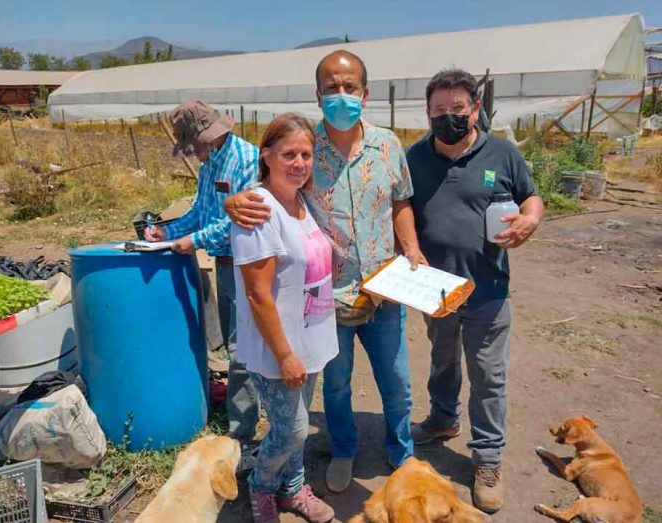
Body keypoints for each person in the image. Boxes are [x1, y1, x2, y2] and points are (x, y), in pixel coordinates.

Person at [225, 50, 426, 493]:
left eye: (349, 87)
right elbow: (267, 187)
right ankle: (343, 449)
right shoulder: (304, 148)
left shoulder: (388, 144)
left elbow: (401, 202)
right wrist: (231, 201)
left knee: (396, 383)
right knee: (335, 386)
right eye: (331, 87)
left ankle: (402, 453)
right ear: (318, 95)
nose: (341, 95)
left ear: (365, 93)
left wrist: (410, 246)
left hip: (384, 288)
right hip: (327, 299)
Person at [405, 69, 544, 513]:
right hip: (437, 289)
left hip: (488, 289)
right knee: (442, 360)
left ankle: (487, 459)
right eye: (439, 111)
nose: (448, 118)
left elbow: (532, 197)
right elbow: (400, 206)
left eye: (457, 110)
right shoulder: (414, 158)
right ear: (427, 113)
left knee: (488, 375)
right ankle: (443, 419)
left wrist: (530, 220)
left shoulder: (502, 153)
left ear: (475, 109)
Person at [231, 113, 337, 523]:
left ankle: (293, 491)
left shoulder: (301, 202)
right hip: (278, 348)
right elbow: (258, 294)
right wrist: (285, 355)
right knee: (290, 430)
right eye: (289, 153)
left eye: (306, 154)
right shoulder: (259, 210)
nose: (299, 163)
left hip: (309, 337)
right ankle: (261, 487)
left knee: (297, 424)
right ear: (267, 156)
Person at [144, 100, 261, 446]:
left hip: (247, 265)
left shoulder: (246, 161)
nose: (194, 155)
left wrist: (192, 241)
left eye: (193, 148)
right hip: (225, 266)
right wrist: (169, 232)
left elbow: (237, 223)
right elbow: (201, 210)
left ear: (208, 138)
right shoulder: (211, 164)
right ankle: (246, 411)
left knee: (243, 352)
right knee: (233, 346)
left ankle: (242, 432)